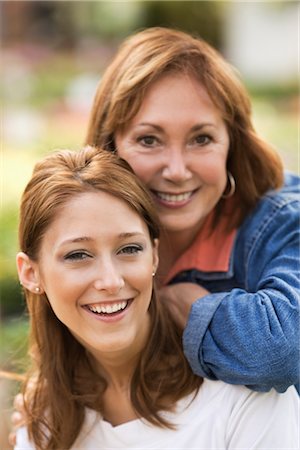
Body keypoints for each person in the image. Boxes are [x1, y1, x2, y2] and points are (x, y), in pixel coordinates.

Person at [14, 146, 298, 449]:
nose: (111, 281)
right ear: (31, 273)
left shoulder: (242, 395)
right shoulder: (42, 416)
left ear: (154, 256)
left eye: (129, 249)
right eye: (78, 255)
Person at [84, 27, 299, 393]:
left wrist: (188, 304)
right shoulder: (84, 224)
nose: (178, 170)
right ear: (110, 147)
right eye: (149, 140)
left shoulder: (284, 220)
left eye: (201, 139)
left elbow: (279, 352)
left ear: (232, 145)